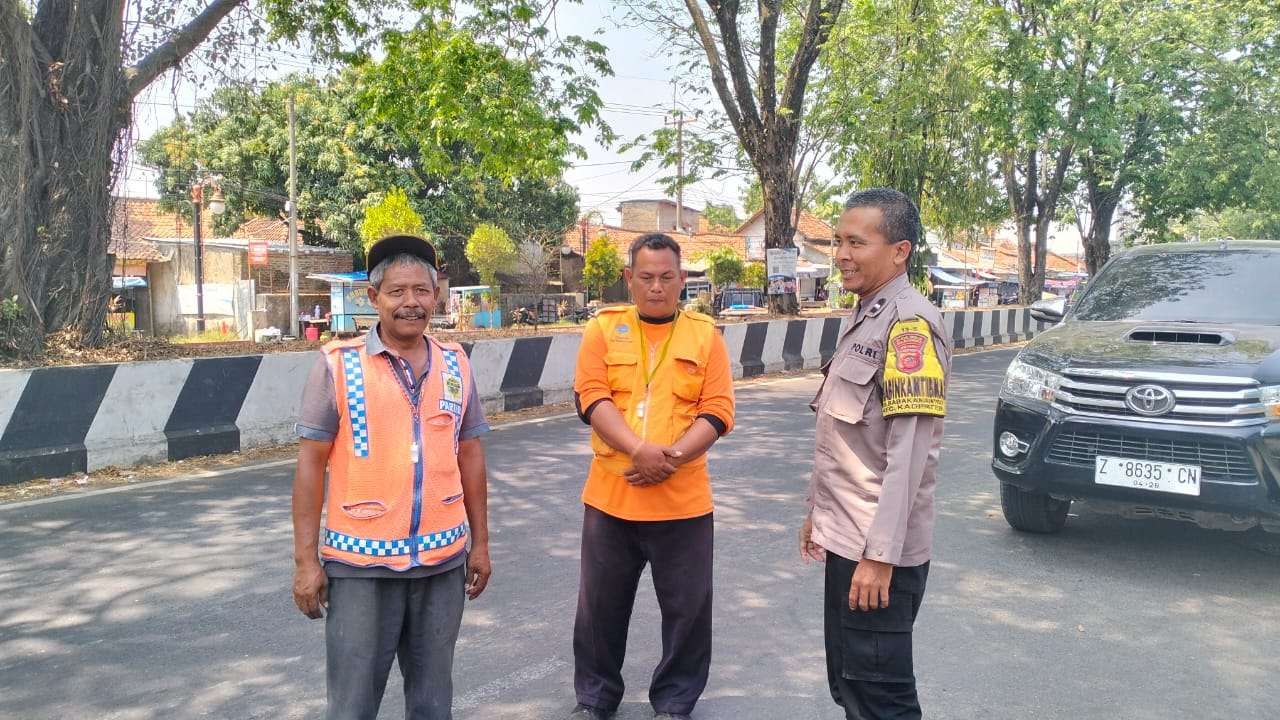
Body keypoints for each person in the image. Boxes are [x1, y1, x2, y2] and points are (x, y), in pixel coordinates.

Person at [291, 234, 493, 720]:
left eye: (422, 290)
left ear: (436, 295)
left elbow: (470, 455)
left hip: (442, 562)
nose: (411, 302)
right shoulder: (337, 366)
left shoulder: (456, 363)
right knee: (353, 706)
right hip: (361, 567)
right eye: (397, 291)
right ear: (373, 297)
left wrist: (481, 545)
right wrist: (305, 562)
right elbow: (310, 466)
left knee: (432, 703)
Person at [567, 233, 736, 720]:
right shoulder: (602, 329)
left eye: (666, 277)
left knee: (687, 611)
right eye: (646, 277)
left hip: (683, 503)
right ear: (629, 278)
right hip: (610, 500)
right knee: (599, 610)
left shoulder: (705, 335)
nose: (656, 287)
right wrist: (638, 450)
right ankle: (595, 698)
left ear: (682, 280)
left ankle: (675, 702)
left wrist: (671, 458)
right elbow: (591, 397)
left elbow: (718, 411)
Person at [799, 189, 952, 720]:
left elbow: (909, 456)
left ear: (899, 251)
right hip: (848, 540)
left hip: (876, 553)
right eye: (838, 241)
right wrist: (817, 514)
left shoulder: (909, 326)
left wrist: (880, 558)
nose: (841, 254)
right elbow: (847, 437)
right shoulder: (866, 314)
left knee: (883, 703)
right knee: (852, 687)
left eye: (856, 243)